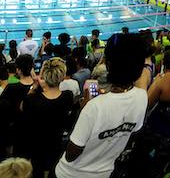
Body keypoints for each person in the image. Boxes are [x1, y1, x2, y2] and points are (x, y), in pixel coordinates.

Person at [55, 33, 148, 178]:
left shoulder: (94, 107)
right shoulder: (142, 97)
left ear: (109, 65)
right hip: (104, 173)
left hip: (70, 174)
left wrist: (83, 109)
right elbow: (128, 134)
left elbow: (70, 155)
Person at [21, 57, 74, 178]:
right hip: (56, 144)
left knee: (37, 171)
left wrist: (34, 86)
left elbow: (22, 107)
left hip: (36, 145)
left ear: (44, 76)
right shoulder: (68, 96)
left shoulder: (32, 100)